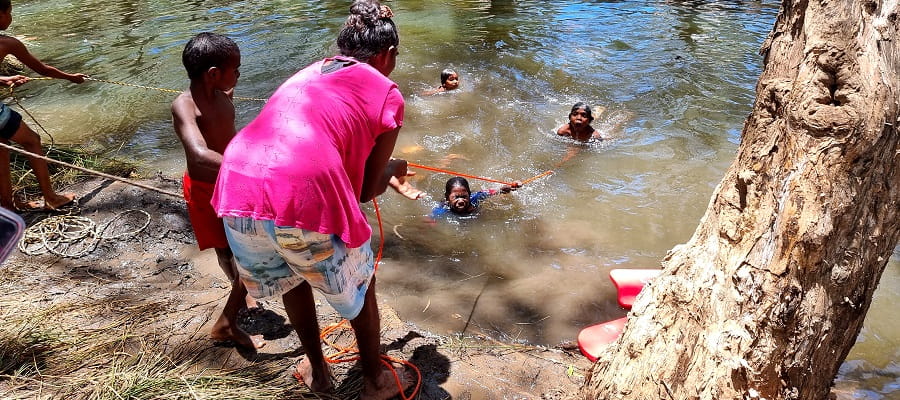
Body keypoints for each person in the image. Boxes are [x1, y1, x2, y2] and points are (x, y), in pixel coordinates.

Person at [211, 1, 419, 398]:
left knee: (290, 276)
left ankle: (319, 374)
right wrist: (391, 171)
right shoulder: (387, 92)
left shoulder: (308, 72)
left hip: (237, 184)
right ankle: (375, 380)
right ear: (387, 55)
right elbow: (364, 191)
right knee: (362, 282)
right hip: (296, 190)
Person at [171, 32, 264, 350]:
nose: (238, 74)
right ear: (213, 74)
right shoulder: (184, 107)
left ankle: (240, 292)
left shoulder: (223, 93)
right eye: (235, 68)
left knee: (249, 248)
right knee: (225, 249)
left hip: (233, 182)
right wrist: (252, 171)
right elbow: (198, 154)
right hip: (206, 189)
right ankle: (235, 301)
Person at [0, 0, 84, 211]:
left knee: (2, 148)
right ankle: (51, 198)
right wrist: (71, 77)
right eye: (10, 12)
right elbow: (43, 69)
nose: (11, 17)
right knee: (32, 141)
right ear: (1, 14)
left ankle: (7, 205)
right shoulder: (8, 43)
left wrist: (3, 79)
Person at [431, 176, 520, 218]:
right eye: (456, 197)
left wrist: (512, 186)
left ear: (469, 194)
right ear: (447, 198)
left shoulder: (475, 198)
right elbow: (431, 219)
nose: (461, 200)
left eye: (464, 196)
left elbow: (499, 190)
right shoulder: (442, 209)